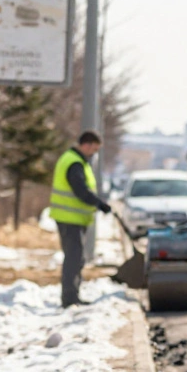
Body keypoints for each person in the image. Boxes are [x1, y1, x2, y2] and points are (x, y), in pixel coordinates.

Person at [49, 131, 113, 308]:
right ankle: (69, 299)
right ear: (86, 144)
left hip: (73, 219)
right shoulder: (74, 163)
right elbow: (81, 191)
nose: (94, 153)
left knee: (77, 258)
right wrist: (100, 204)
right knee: (74, 258)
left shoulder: (76, 161)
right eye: (93, 149)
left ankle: (72, 296)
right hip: (70, 219)